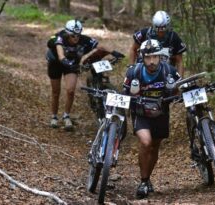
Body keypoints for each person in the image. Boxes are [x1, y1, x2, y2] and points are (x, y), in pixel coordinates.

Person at [123, 39, 181, 199]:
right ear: (142, 57)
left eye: (155, 57)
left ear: (160, 57)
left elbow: (179, 88)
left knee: (155, 146)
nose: (151, 61)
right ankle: (142, 182)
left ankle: (148, 178)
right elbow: (124, 93)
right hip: (141, 113)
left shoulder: (169, 71)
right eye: (148, 57)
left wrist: (176, 94)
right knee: (146, 142)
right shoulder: (133, 72)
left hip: (161, 113)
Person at [46, 19, 124, 130]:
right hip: (56, 63)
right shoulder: (60, 37)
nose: (76, 38)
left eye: (78, 35)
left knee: (70, 90)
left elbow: (100, 46)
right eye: (73, 36)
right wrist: (64, 60)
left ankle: (66, 116)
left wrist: (114, 52)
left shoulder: (83, 40)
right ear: (68, 33)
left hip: (71, 65)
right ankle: (54, 116)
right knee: (55, 91)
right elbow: (60, 53)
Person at [129, 10, 187, 77]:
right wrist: (131, 67)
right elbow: (133, 49)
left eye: (163, 29)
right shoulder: (144, 34)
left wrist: (179, 80)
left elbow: (179, 61)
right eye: (158, 29)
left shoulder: (173, 37)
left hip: (166, 73)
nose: (160, 33)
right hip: (143, 71)